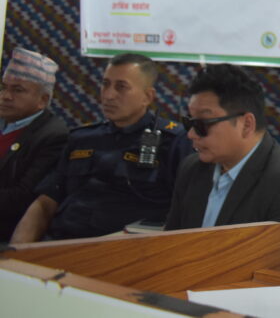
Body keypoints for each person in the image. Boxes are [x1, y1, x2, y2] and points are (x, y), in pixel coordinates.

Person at [10, 53, 190, 242]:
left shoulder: (174, 141)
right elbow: (46, 202)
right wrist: (18, 250)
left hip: (124, 249)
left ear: (147, 96)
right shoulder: (82, 138)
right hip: (61, 242)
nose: (108, 95)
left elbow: (185, 210)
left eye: (121, 87)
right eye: (105, 84)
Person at [164, 64, 280, 251]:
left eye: (202, 124)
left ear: (246, 124)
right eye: (189, 122)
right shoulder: (191, 169)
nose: (191, 134)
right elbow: (168, 245)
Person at [0, 48, 69, 240]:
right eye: (3, 87)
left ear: (42, 100)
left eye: (17, 90)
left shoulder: (53, 136)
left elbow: (22, 198)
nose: (6, 96)